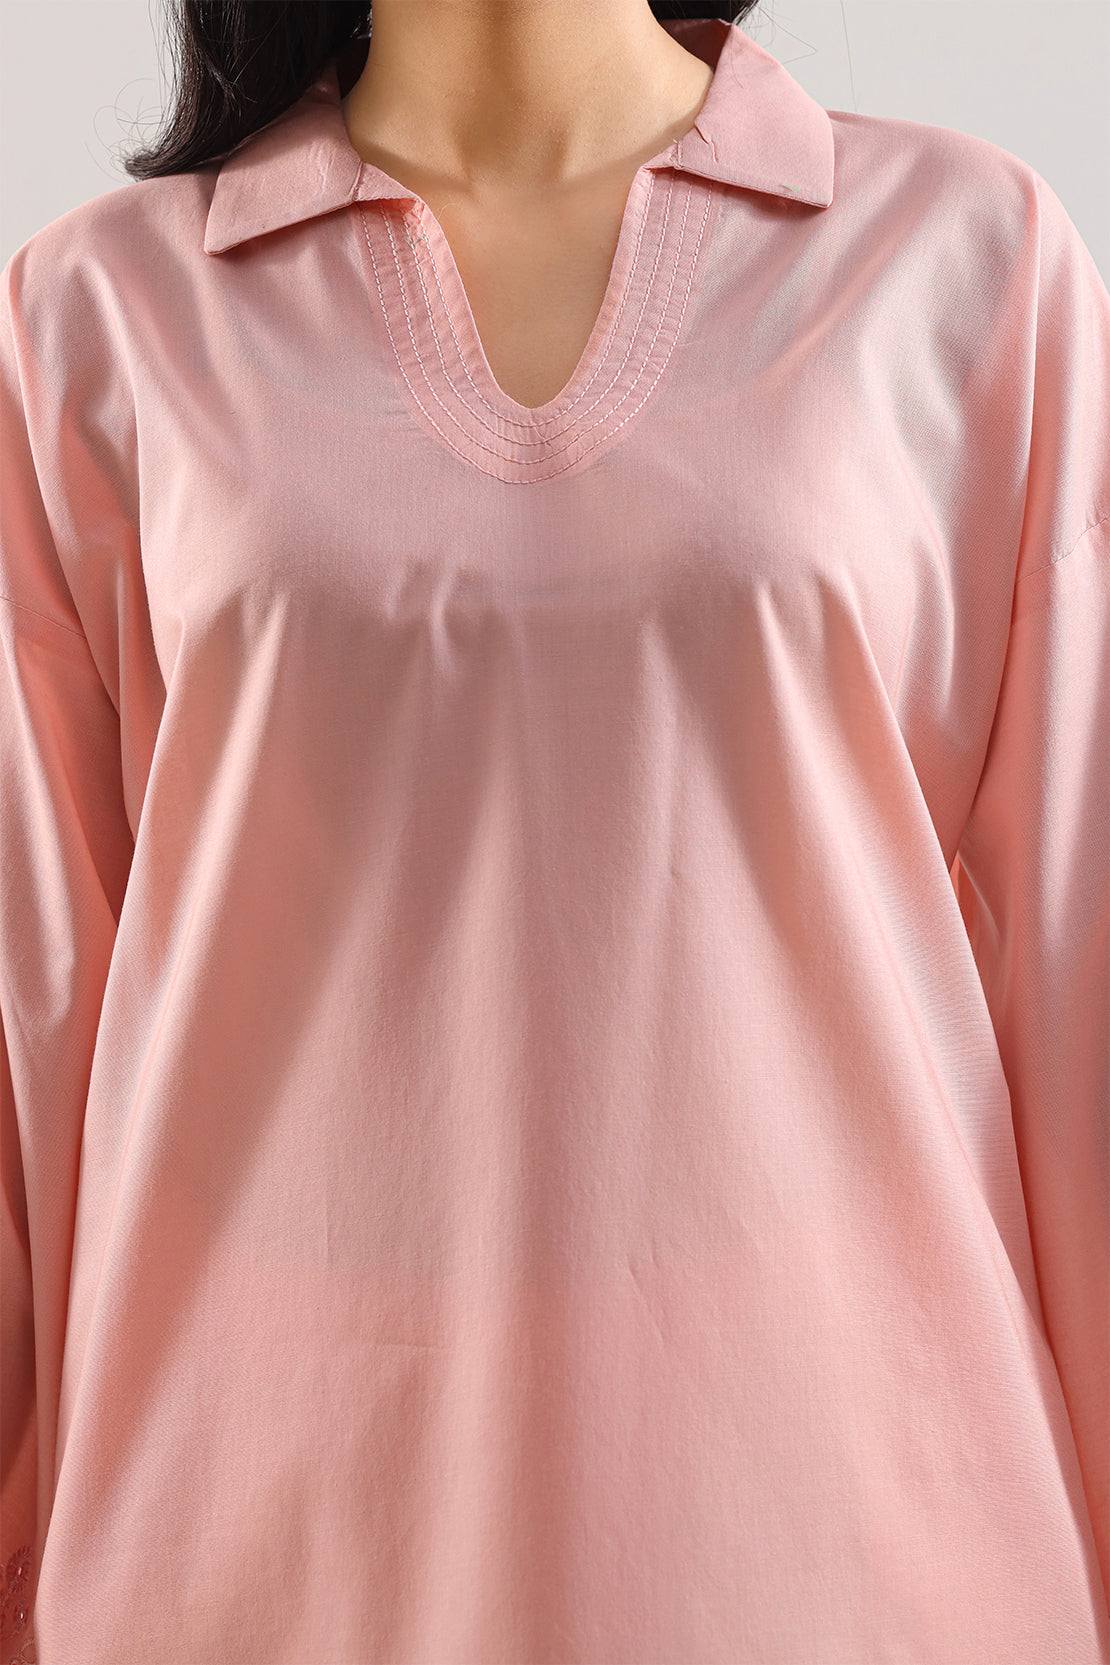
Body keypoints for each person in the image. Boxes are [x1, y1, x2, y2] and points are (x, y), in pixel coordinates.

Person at [1, 2, 1107, 1660]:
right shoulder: (94, 315)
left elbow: (1082, 996)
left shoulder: (971, 261)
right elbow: (33, 1035)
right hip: (258, 1562)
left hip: (859, 1560)